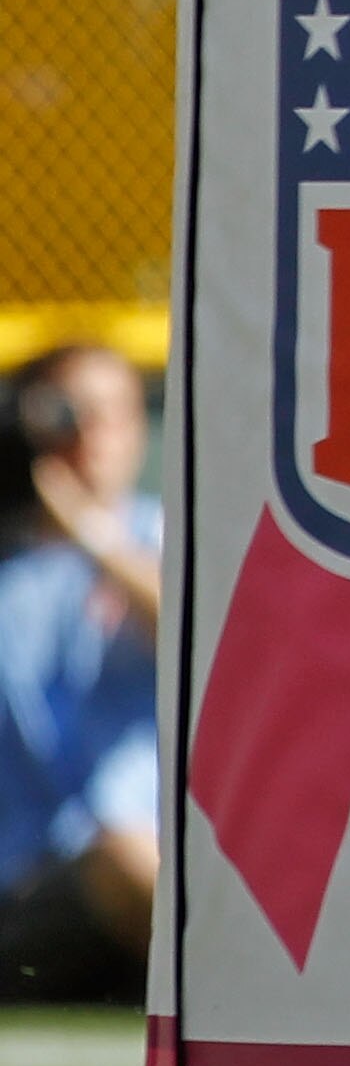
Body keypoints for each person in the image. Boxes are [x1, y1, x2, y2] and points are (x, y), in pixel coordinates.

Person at [0, 344, 160, 1001]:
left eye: (111, 414)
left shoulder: (171, 541)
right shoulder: (13, 565)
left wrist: (96, 537)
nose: (92, 436)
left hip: (156, 861)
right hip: (34, 875)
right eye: (69, 413)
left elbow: (202, 643)